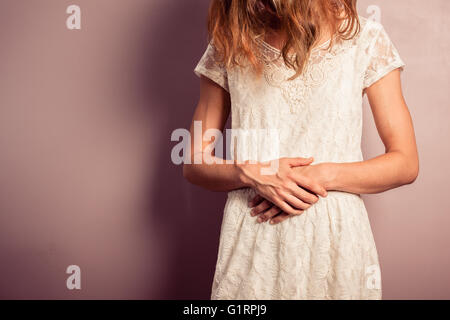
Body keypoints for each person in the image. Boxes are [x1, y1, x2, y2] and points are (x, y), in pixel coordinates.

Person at [183, 0, 419, 299]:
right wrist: (252, 173)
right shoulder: (231, 43)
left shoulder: (366, 39)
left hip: (335, 241)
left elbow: (405, 162)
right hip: (254, 237)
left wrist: (320, 175)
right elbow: (193, 162)